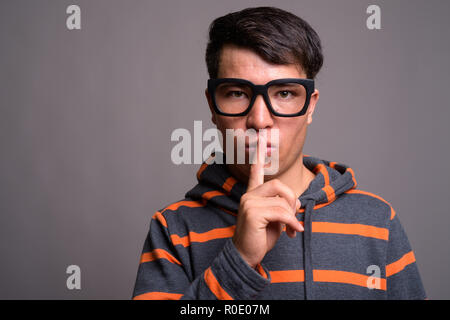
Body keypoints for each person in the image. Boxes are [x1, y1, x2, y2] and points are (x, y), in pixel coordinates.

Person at [132, 6, 426, 300]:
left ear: (310, 106)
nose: (259, 120)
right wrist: (239, 258)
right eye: (237, 93)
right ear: (212, 106)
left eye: (284, 93)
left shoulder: (377, 221)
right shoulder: (173, 229)